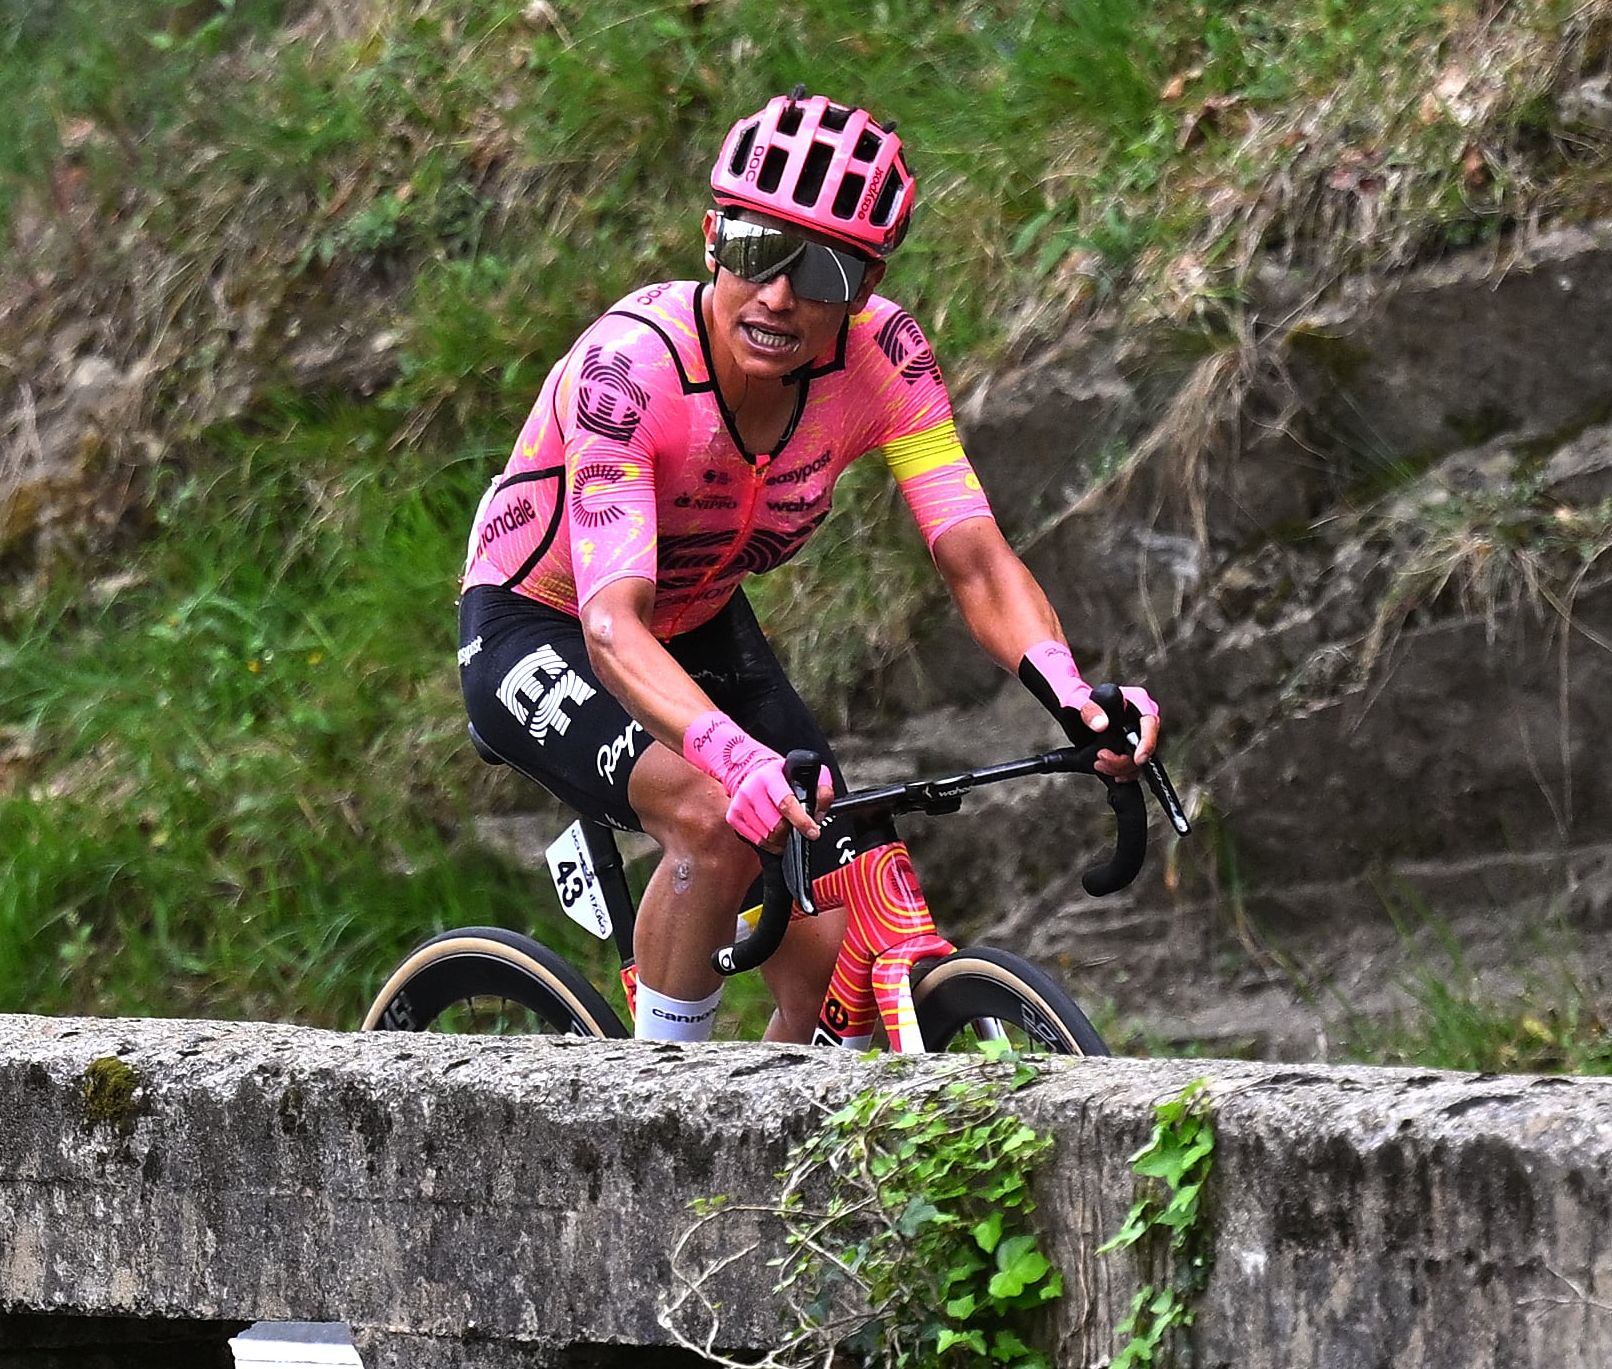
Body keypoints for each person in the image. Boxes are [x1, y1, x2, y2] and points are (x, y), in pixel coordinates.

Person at [456, 92, 1164, 1041]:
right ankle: (655, 1105)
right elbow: (612, 624)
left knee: (836, 924)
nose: (779, 295)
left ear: (864, 287)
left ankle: (789, 1120)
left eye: (822, 267)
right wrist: (731, 757)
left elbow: (975, 556)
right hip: (544, 622)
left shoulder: (886, 360)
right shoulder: (631, 372)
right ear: (712, 239)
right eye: (758, 249)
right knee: (715, 817)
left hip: (697, 619)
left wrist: (1071, 695)